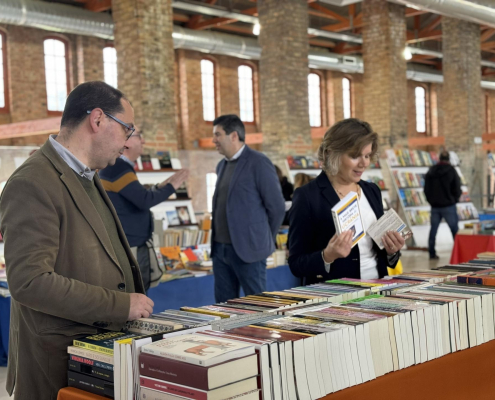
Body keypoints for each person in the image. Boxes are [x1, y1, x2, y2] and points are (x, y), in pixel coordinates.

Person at [0, 81, 154, 400]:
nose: (127, 144)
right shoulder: (32, 183)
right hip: (57, 362)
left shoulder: (85, 175)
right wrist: (121, 304)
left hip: (94, 353)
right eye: (127, 129)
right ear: (97, 120)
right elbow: (30, 282)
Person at [288, 118, 404, 285]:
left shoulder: (372, 191)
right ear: (331, 153)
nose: (364, 163)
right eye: (355, 156)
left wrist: (392, 251)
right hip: (335, 296)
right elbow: (296, 264)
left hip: (378, 289)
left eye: (367, 155)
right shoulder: (307, 196)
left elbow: (380, 253)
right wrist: (327, 255)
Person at [99, 129, 189, 291]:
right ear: (126, 141)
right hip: (130, 248)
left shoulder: (120, 167)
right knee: (135, 297)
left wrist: (159, 187)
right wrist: (171, 186)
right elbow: (144, 200)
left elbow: (135, 196)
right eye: (139, 136)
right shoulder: (118, 167)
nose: (144, 141)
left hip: (132, 245)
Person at [211, 114, 285, 302]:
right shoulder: (221, 166)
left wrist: (264, 238)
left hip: (249, 251)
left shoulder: (259, 162)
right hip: (220, 251)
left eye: (218, 135)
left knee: (257, 305)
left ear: (234, 136)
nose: (214, 140)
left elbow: (276, 208)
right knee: (224, 307)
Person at [424, 150, 462, 260]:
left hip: (435, 206)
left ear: (439, 158)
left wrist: (431, 201)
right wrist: (454, 199)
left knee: (433, 230)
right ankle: (458, 253)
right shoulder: (451, 171)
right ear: (448, 159)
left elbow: (426, 189)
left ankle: (431, 253)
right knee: (454, 230)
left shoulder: (431, 171)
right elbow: (457, 187)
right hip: (448, 205)